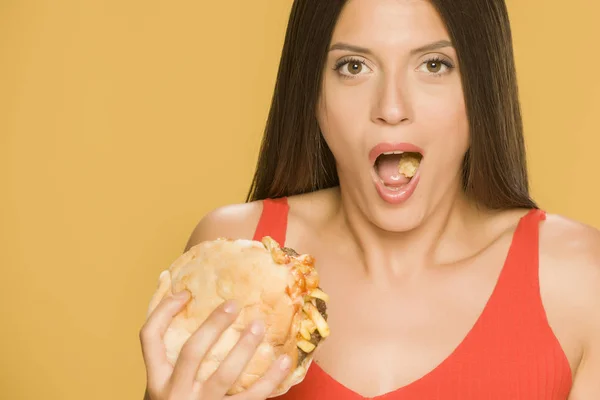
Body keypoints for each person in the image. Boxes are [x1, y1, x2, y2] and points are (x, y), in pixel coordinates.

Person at [139, 0, 600, 398]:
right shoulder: (236, 257)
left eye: (434, 64)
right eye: (354, 66)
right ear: (313, 93)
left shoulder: (578, 279)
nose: (393, 108)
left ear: (481, 89)